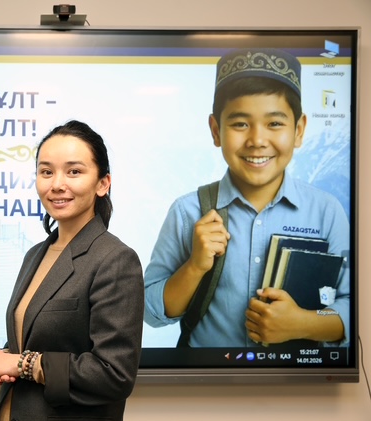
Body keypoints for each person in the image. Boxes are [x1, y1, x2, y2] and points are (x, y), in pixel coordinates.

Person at [143, 48, 350, 347]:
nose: (257, 140)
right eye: (240, 124)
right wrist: (195, 266)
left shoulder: (325, 211)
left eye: (274, 123)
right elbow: (150, 310)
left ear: (299, 130)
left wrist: (303, 323)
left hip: (298, 375)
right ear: (216, 130)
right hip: (204, 375)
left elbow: (353, 303)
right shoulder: (188, 211)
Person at [0, 120, 144, 421]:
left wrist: (22, 364)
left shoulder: (115, 259)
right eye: (46, 172)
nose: (56, 184)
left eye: (74, 171)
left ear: (103, 183)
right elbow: (46, 339)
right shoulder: (35, 255)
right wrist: (2, 359)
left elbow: (114, 374)